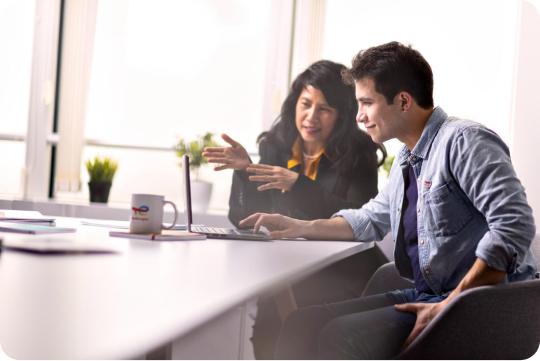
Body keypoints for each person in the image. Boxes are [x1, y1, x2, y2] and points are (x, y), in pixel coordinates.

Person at [240, 41, 537, 359]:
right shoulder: (408, 158)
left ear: (404, 101)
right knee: (304, 322)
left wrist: (453, 303)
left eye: (366, 103)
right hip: (432, 293)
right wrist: (298, 225)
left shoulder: (464, 141)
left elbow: (514, 225)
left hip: (481, 302)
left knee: (340, 336)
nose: (359, 117)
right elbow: (371, 218)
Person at [203, 60, 388, 359]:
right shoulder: (275, 146)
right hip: (284, 270)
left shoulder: (359, 153)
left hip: (342, 273)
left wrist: (298, 185)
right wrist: (245, 172)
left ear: (341, 115)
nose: (311, 117)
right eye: (306, 104)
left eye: (324, 109)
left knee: (309, 335)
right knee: (268, 330)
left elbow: (359, 215)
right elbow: (243, 220)